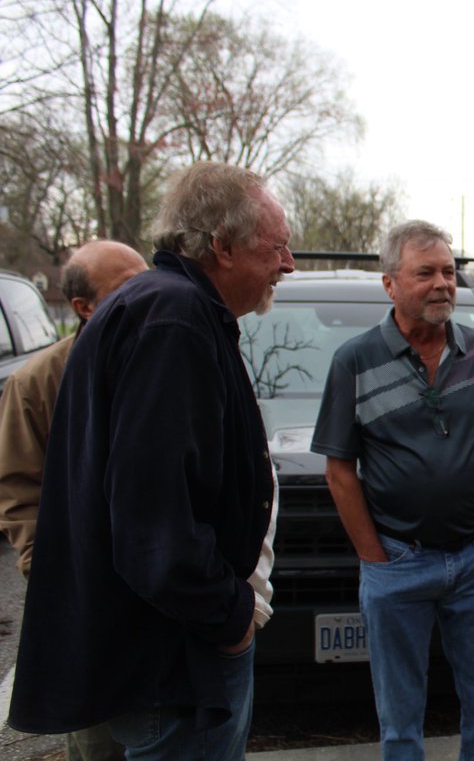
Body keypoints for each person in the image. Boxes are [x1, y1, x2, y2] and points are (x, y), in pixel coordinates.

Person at [8, 161, 293, 760]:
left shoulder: (161, 306)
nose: (287, 265)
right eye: (277, 248)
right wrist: (231, 615)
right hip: (172, 662)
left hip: (149, 654)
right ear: (222, 245)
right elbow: (153, 520)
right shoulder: (174, 319)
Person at [311, 221, 474, 760]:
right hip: (398, 564)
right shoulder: (354, 362)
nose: (442, 284)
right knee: (401, 716)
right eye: (425, 272)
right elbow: (340, 469)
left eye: (449, 272)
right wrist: (375, 558)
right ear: (390, 284)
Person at [0, 241, 146, 761]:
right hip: (86, 597)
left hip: (159, 595)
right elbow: (19, 491)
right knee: (97, 737)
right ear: (84, 307)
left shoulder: (165, 358)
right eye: (125, 288)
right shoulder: (36, 385)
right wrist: (49, 570)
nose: (144, 293)